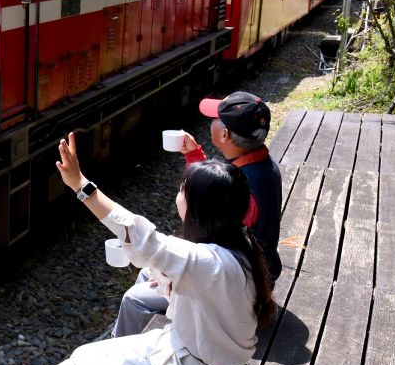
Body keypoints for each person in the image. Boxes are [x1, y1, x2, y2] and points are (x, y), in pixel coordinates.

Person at [0, 131, 275, 365]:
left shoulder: (209, 263)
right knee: (84, 355)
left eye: (182, 190)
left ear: (200, 208)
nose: (178, 196)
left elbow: (142, 237)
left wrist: (81, 185)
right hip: (187, 362)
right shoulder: (236, 245)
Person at [112, 91, 282, 338]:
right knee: (146, 273)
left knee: (134, 299)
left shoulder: (245, 187)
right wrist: (194, 156)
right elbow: (216, 192)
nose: (210, 122)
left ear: (225, 134)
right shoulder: (262, 164)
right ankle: (137, 339)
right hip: (258, 267)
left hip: (238, 285)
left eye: (215, 119)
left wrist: (171, 275)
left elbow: (214, 252)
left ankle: (120, 354)